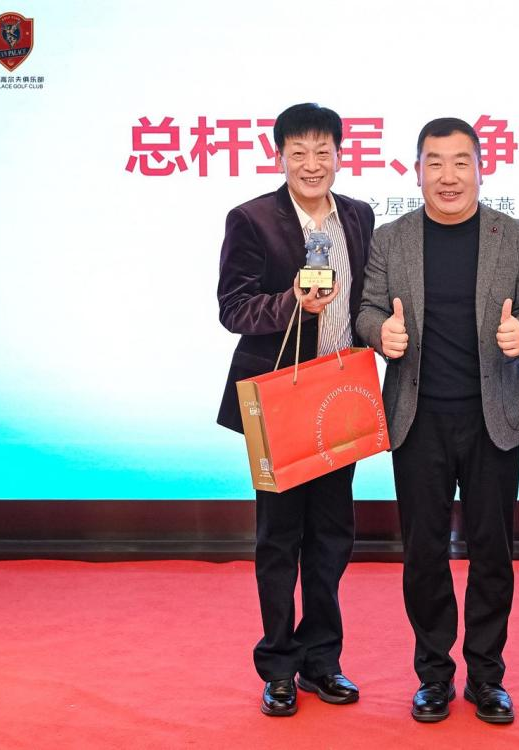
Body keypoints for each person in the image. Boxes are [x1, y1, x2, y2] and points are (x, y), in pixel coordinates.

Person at [355, 118, 519, 724]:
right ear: (417, 171)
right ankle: (433, 675)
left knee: (494, 552)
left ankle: (487, 677)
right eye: (434, 163)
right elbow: (366, 309)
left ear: (480, 169)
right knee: (424, 553)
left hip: (494, 419)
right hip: (418, 420)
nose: (448, 176)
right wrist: (379, 334)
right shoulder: (391, 239)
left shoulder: (511, 235)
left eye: (460, 162)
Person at [216, 103, 374, 717]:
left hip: (340, 398)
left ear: (339, 153)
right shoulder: (252, 219)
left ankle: (322, 661)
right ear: (279, 155)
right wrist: (292, 303)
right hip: (279, 399)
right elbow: (233, 308)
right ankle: (279, 666)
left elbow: (366, 300)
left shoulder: (358, 216)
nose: (312, 164)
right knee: (280, 537)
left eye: (322, 151)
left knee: (332, 536)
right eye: (299, 152)